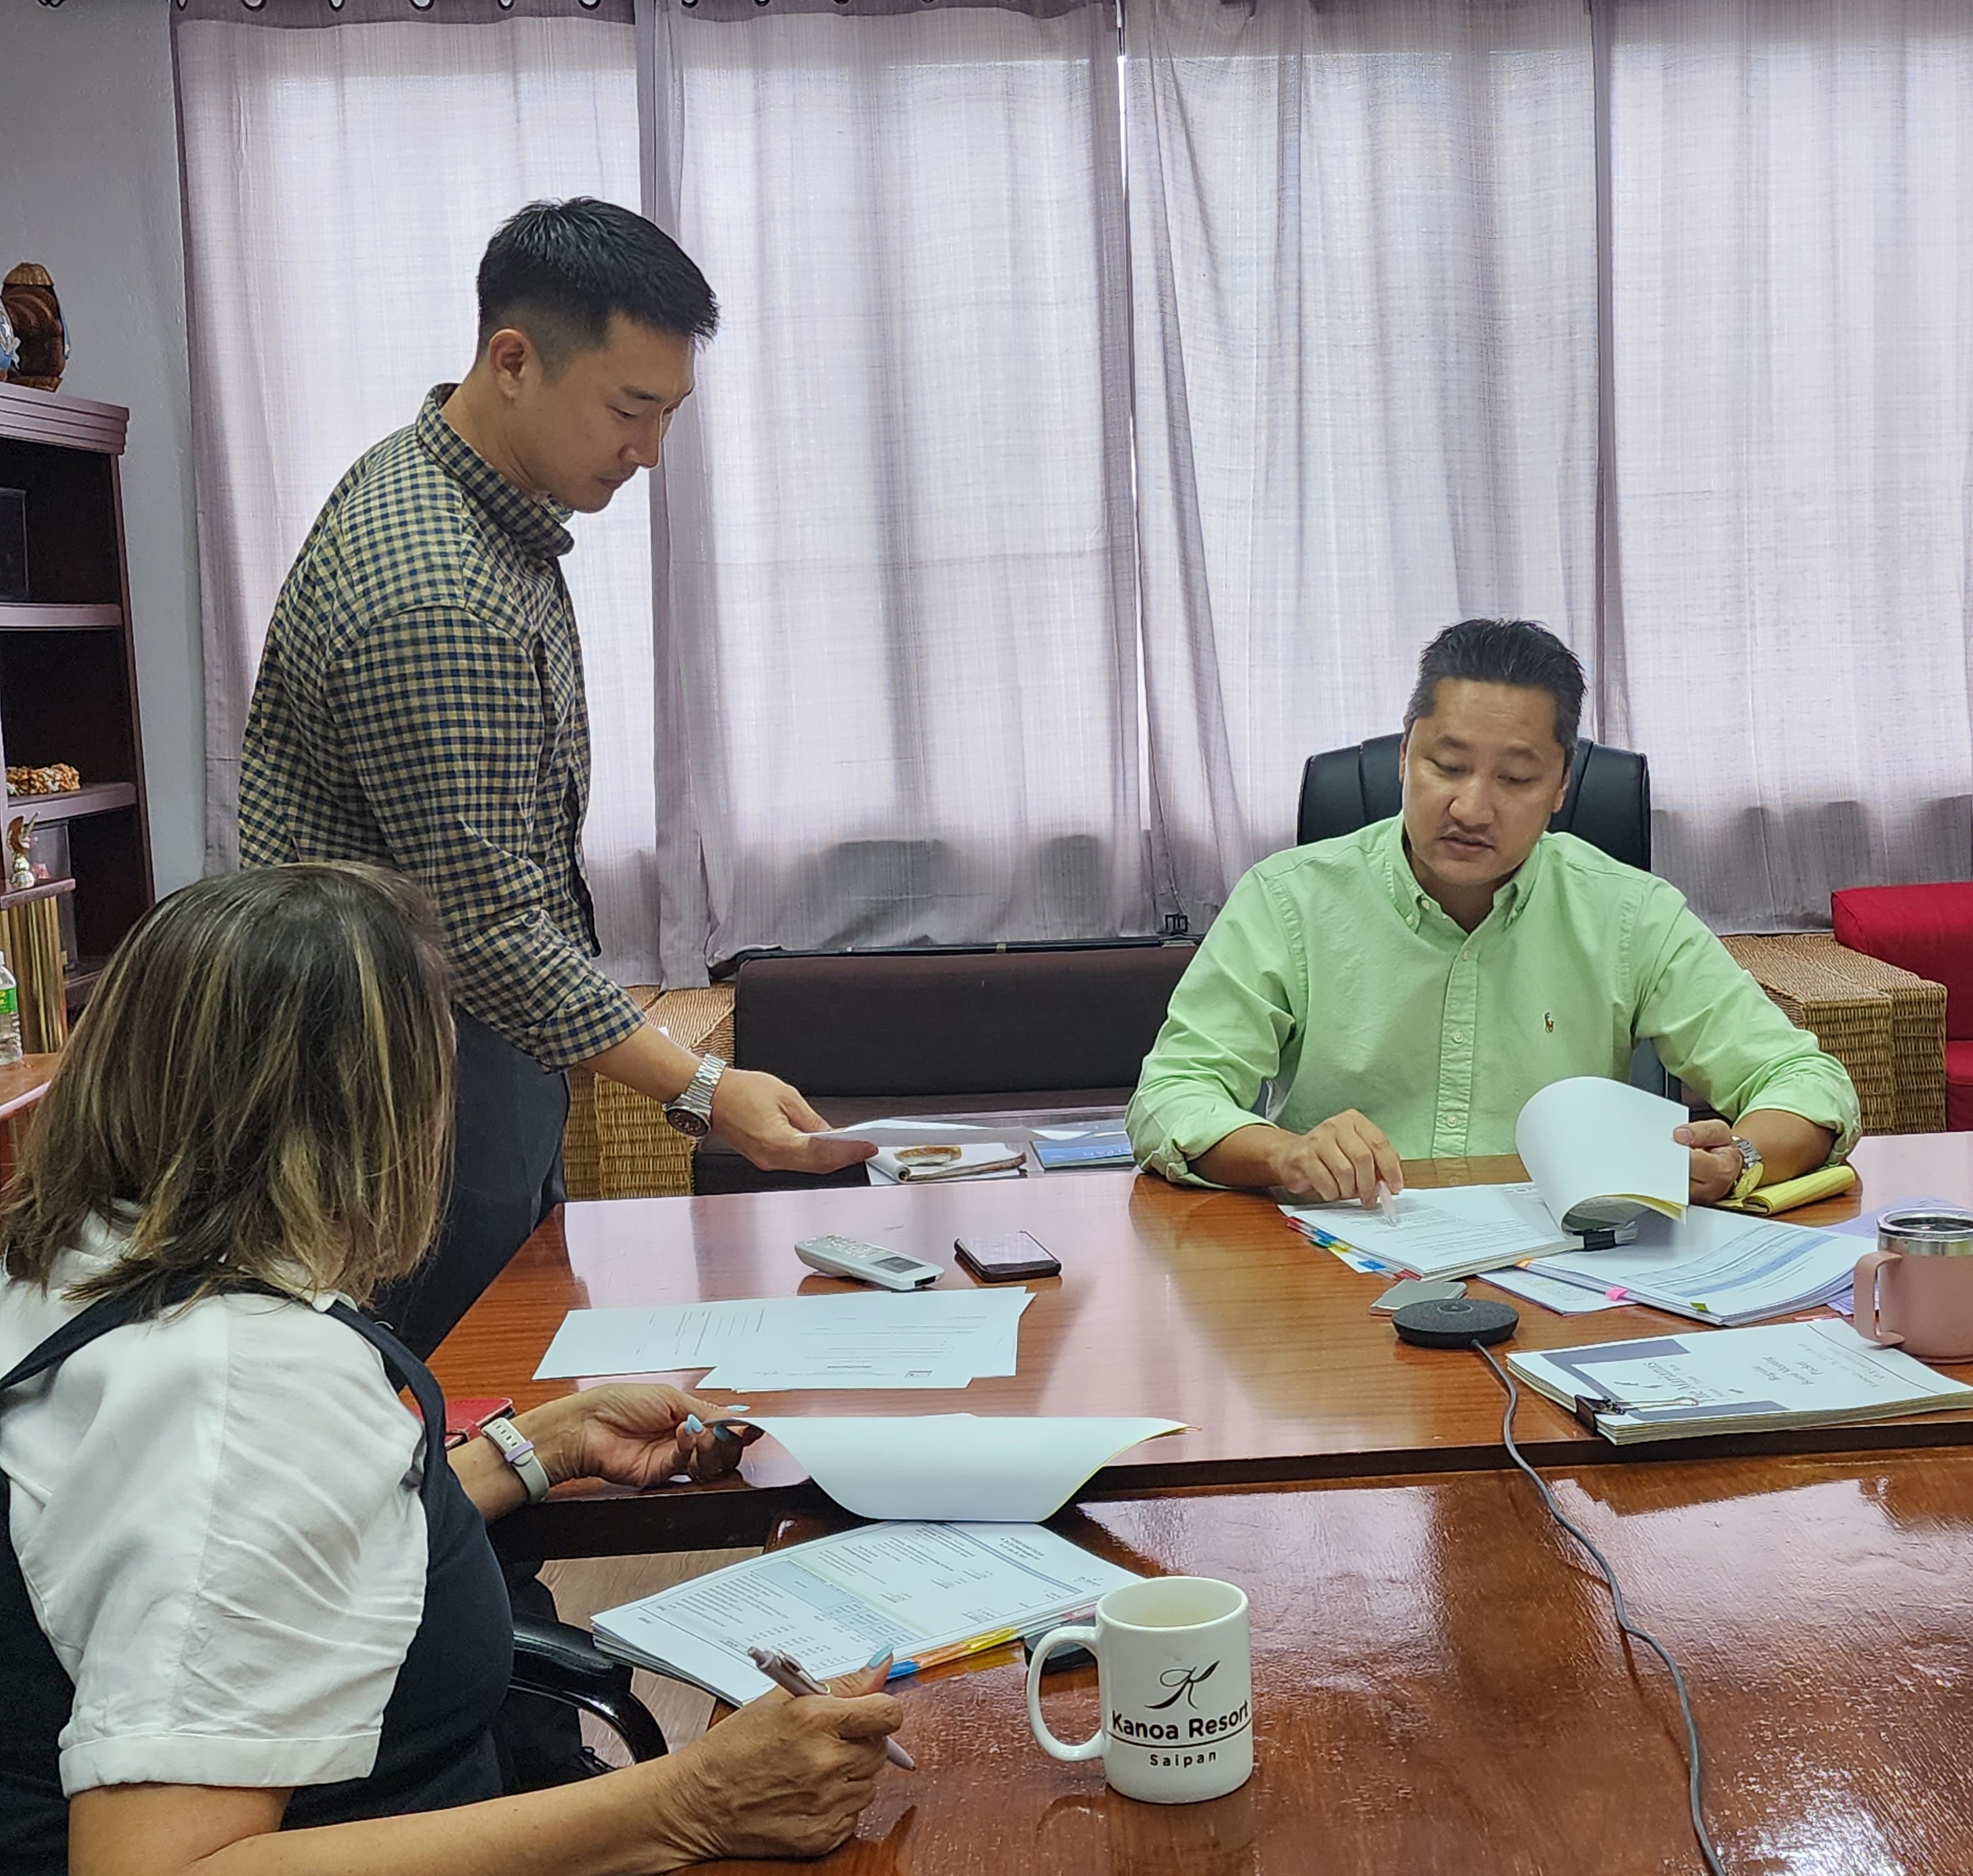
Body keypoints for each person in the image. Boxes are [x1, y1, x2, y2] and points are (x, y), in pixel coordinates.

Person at [0, 865, 904, 1876]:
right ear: (383, 1108)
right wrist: (687, 1806)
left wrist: (530, 1451)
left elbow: (266, 1544)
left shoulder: (72, 1265)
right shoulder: (242, 1386)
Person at [238, 198, 869, 1360]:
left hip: (454, 1039)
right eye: (630, 410)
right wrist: (700, 1089)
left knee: (490, 1375)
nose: (648, 452)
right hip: (392, 1062)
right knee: (431, 1394)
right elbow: (482, 929)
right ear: (512, 360)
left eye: (669, 414)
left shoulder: (482, 512)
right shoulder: (435, 587)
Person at [1128, 618, 1860, 1203]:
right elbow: (1172, 1095)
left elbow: (1806, 1081)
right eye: (1445, 766)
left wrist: (1742, 1157)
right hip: (1343, 1258)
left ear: (1562, 786)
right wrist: (1287, 1155)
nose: (1471, 808)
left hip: (1567, 1272)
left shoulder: (1629, 913)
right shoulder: (1288, 899)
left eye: (1514, 778)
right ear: (1403, 757)